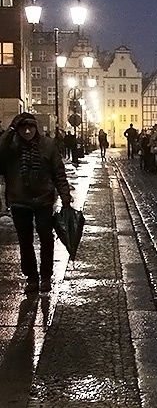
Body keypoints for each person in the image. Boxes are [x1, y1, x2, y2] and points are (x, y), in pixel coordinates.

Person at [0, 113, 73, 293]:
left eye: (30, 127)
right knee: (25, 240)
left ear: (36, 128)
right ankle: (32, 277)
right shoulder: (11, 146)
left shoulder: (47, 145)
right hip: (19, 199)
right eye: (23, 128)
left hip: (43, 199)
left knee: (46, 237)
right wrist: (10, 129)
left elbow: (58, 172)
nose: (27, 131)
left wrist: (65, 196)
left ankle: (46, 276)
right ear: (17, 130)